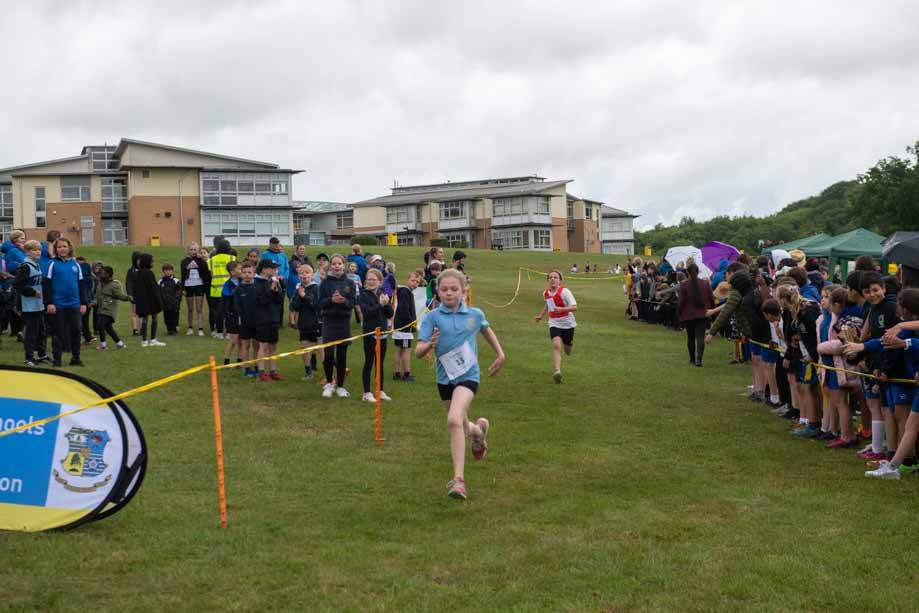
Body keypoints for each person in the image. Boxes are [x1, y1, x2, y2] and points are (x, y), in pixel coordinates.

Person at [416, 269, 505, 500]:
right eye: (444, 289)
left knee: (454, 420)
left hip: (468, 376)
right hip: (444, 379)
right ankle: (478, 432)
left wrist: (500, 353)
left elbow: (485, 329)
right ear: (437, 291)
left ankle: (458, 481)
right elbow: (418, 351)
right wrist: (429, 345)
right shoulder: (432, 317)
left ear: (464, 291)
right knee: (463, 427)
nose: (449, 293)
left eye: (454, 289)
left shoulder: (474, 314)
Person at [850, 288, 919, 478]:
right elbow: (885, 341)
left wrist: (905, 342)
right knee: (911, 425)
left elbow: (909, 343)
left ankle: (898, 465)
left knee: (910, 424)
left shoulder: (906, 327)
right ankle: (893, 467)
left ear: (905, 308)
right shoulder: (906, 326)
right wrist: (862, 346)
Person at [816, 286, 857, 448]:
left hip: (839, 366)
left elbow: (844, 343)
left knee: (841, 402)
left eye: (827, 297)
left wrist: (821, 348)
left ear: (837, 304)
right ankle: (841, 432)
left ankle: (847, 436)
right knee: (836, 400)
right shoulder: (824, 319)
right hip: (829, 365)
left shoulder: (844, 321)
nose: (823, 300)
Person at [44, 238, 89, 367]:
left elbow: (81, 285)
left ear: (69, 248)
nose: (62, 249)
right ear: (55, 249)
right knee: (58, 333)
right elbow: (46, 284)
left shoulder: (75, 264)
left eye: (64, 246)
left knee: (76, 331)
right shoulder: (52, 264)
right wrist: (49, 303)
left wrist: (83, 303)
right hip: (58, 305)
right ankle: (57, 360)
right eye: (59, 247)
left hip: (74, 304)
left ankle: (76, 358)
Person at [319, 254, 357, 398]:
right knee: (328, 355)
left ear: (344, 265)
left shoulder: (350, 283)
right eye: (334, 264)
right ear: (330, 266)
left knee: (342, 356)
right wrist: (331, 300)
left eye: (339, 263)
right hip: (329, 322)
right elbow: (320, 303)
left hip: (343, 323)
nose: (337, 266)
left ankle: (340, 386)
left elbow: (352, 303)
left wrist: (343, 301)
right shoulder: (325, 283)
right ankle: (329, 383)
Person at [533, 270, 577, 383]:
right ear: (548, 280)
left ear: (560, 280)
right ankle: (557, 372)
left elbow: (574, 307)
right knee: (556, 345)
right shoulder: (546, 293)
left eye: (555, 277)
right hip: (554, 322)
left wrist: (562, 309)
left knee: (568, 351)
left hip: (568, 323)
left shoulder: (565, 292)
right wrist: (540, 316)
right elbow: (548, 304)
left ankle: (569, 343)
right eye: (550, 277)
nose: (552, 279)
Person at [357, 268, 394, 402]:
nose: (371, 282)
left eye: (374, 279)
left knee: (380, 363)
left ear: (380, 282)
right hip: (370, 333)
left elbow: (390, 314)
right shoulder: (362, 295)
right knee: (369, 362)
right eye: (369, 279)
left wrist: (386, 304)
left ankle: (380, 390)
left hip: (382, 334)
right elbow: (367, 313)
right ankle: (366, 393)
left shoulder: (382, 293)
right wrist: (380, 305)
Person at [12, 240, 48, 365]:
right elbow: (17, 285)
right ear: (27, 252)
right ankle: (29, 358)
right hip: (29, 305)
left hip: (38, 304)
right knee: (31, 333)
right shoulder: (26, 266)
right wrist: (32, 292)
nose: (37, 252)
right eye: (34, 250)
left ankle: (42, 354)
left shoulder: (36, 264)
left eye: (39, 250)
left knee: (41, 331)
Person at [678, 263, 714, 367]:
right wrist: (712, 311)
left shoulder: (684, 284)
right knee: (700, 337)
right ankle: (699, 360)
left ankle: (692, 360)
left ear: (687, 272)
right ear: (698, 271)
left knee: (690, 338)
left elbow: (681, 301)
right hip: (702, 314)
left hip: (689, 315)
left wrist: (679, 313)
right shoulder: (705, 283)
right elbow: (711, 299)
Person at [290, 264, 322, 379]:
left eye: (307, 273)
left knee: (320, 348)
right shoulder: (298, 289)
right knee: (304, 347)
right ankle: (308, 371)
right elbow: (294, 306)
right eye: (301, 273)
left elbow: (317, 305)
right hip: (303, 323)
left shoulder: (316, 288)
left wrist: (304, 296)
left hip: (316, 322)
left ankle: (329, 373)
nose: (304, 275)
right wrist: (299, 295)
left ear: (311, 275)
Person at [254, 259, 284, 381]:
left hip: (274, 318)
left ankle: (273, 371)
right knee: (263, 346)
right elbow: (261, 301)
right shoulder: (256, 283)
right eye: (273, 268)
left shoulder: (274, 281)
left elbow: (280, 300)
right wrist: (270, 291)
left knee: (273, 346)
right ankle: (261, 372)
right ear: (264, 269)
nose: (275, 270)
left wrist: (276, 292)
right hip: (263, 319)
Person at [93, 265, 132, 351]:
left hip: (109, 310)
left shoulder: (114, 285)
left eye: (103, 273)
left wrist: (129, 298)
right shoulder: (100, 284)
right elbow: (97, 296)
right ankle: (120, 344)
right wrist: (93, 302)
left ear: (108, 274)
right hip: (101, 309)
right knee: (108, 328)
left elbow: (120, 296)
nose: (101, 275)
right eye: (100, 273)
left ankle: (103, 346)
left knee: (100, 324)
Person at [133, 253, 165, 348]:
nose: (153, 263)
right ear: (147, 262)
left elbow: (136, 288)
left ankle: (144, 341)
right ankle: (153, 339)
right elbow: (154, 288)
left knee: (144, 319)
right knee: (154, 318)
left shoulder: (138, 273)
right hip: (151, 299)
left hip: (142, 300)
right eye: (152, 261)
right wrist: (159, 301)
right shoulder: (149, 273)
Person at [392, 272, 419, 381]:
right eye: (413, 280)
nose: (415, 283)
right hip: (404, 327)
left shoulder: (405, 292)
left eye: (417, 282)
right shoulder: (405, 292)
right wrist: (411, 322)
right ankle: (406, 374)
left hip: (400, 325)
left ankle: (397, 373)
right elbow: (404, 309)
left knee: (399, 349)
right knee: (406, 350)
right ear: (407, 280)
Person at [234, 262, 259, 378]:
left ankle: (257, 367)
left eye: (250, 272)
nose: (247, 274)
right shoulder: (238, 289)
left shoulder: (257, 287)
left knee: (257, 346)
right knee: (245, 345)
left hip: (257, 321)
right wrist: (243, 317)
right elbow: (237, 307)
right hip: (244, 322)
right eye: (244, 272)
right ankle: (246, 368)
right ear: (241, 274)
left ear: (254, 274)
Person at [208, 239, 236, 338]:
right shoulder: (232, 258)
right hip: (230, 289)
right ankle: (228, 332)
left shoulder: (211, 260)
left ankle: (219, 332)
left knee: (218, 313)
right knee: (229, 312)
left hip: (215, 290)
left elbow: (210, 273)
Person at [180, 243, 210, 336]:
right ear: (188, 251)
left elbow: (205, 271)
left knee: (199, 308)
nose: (193, 251)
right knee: (190, 308)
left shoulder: (201, 260)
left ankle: (200, 329)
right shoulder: (184, 261)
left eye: (195, 249)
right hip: (188, 286)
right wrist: (182, 288)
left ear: (198, 251)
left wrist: (201, 260)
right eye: (191, 249)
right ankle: (190, 328)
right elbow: (182, 275)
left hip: (199, 286)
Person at [221, 261, 242, 366]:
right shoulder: (228, 284)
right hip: (232, 315)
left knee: (241, 340)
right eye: (239, 269)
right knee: (234, 340)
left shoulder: (242, 281)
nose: (241, 271)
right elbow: (226, 296)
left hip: (242, 314)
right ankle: (226, 361)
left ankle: (239, 361)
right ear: (232, 272)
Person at [75, 256, 96, 345]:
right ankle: (88, 337)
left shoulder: (79, 277)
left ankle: (85, 338)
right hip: (88, 300)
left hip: (81, 300)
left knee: (80, 321)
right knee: (85, 320)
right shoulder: (90, 277)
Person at [159, 264, 183, 335]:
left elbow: (179, 292)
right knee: (167, 317)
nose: (168, 272)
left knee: (174, 316)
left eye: (169, 270)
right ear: (163, 271)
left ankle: (174, 329)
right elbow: (159, 293)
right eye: (166, 270)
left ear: (172, 271)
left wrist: (176, 301)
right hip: (165, 304)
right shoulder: (160, 282)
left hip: (174, 304)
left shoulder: (176, 281)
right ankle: (169, 329)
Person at [125, 251, 142, 336]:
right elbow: (128, 283)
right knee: (134, 312)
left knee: (143, 313)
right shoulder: (131, 271)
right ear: (134, 260)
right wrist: (130, 294)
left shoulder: (145, 270)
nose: (140, 261)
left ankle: (142, 329)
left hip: (143, 294)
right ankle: (135, 330)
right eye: (138, 259)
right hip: (134, 295)